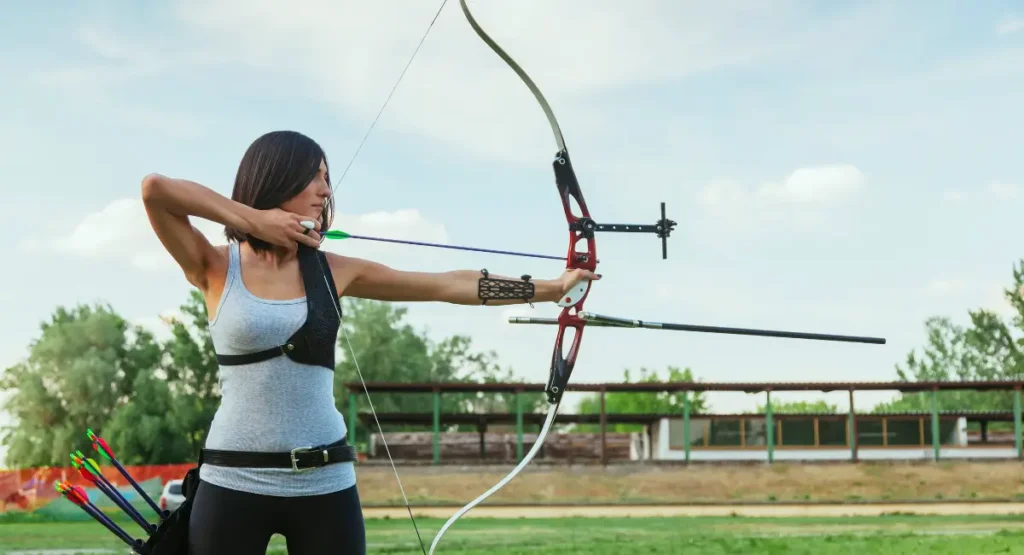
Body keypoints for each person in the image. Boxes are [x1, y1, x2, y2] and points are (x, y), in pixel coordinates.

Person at [140, 130, 598, 555]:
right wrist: (257, 221)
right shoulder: (214, 266)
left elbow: (446, 284)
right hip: (234, 478)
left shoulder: (334, 270)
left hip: (325, 481)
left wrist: (549, 288)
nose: (325, 191)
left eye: (327, 179)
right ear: (277, 177)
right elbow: (155, 189)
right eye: (314, 177)